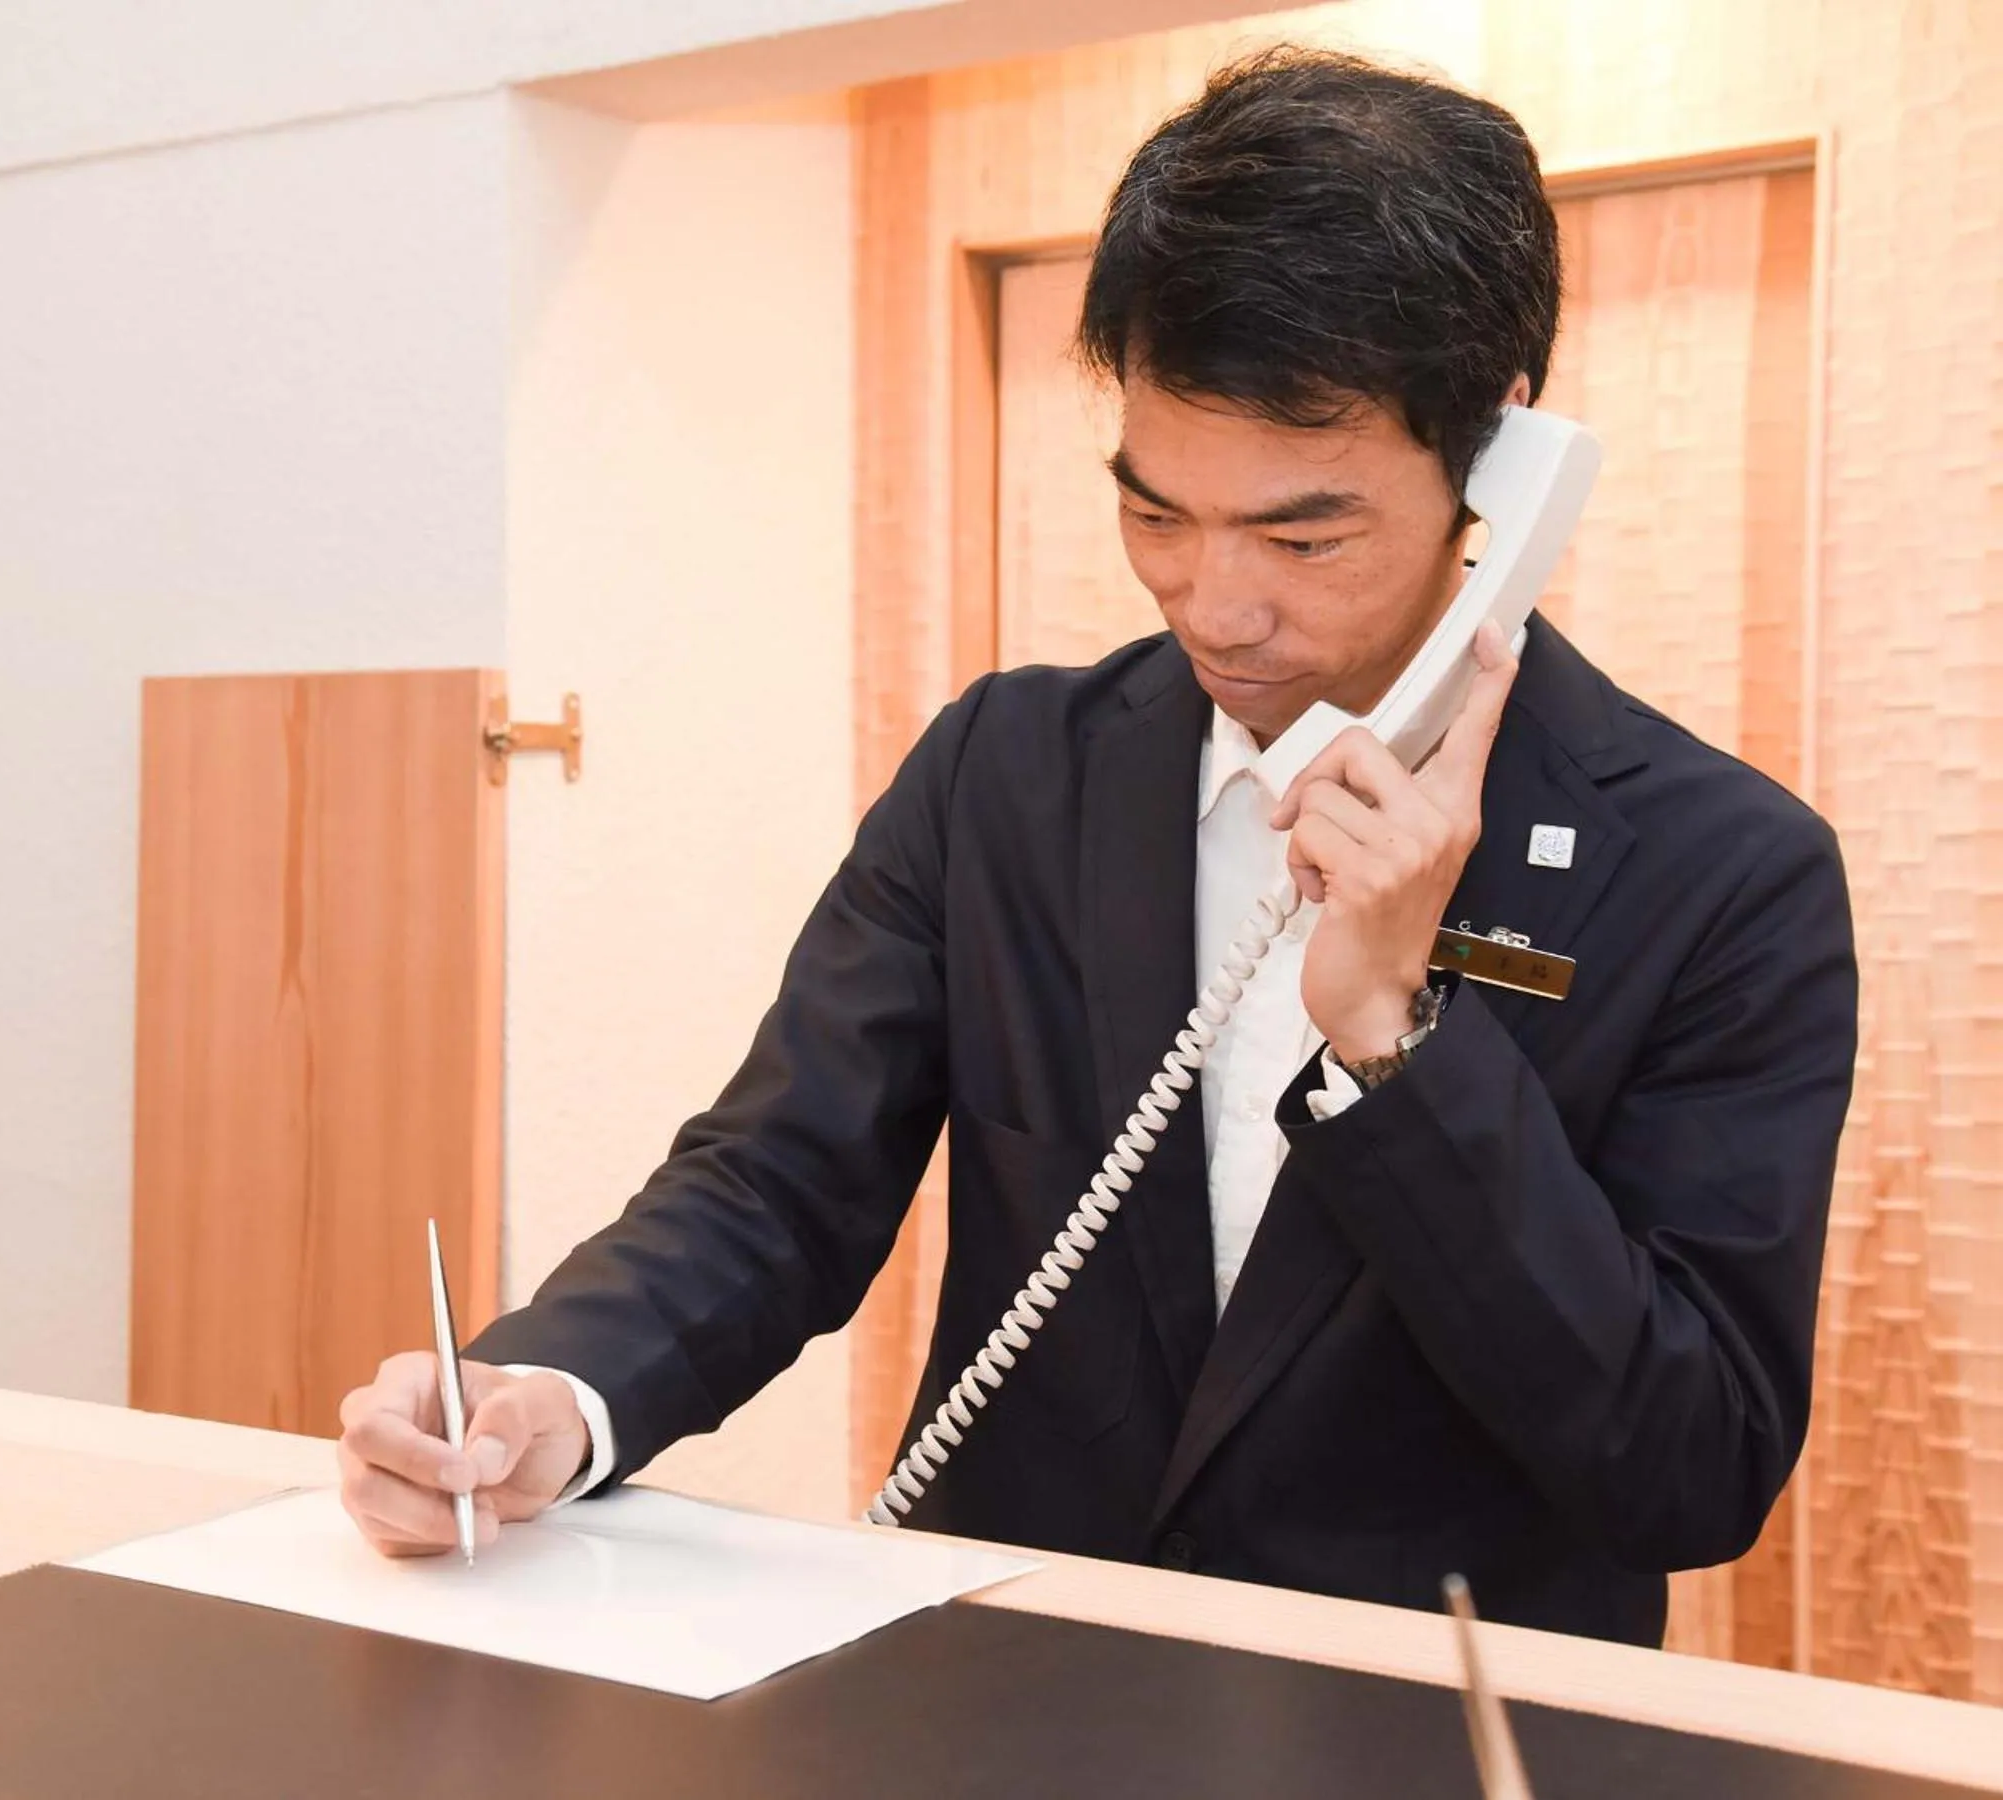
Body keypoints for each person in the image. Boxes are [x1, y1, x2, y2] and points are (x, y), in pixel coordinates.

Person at [333, 47, 1857, 1647]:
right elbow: (777, 1181)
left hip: (1418, 1728)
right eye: (1155, 516)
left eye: (1302, 532)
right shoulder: (1006, 769)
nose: (1217, 603)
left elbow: (1693, 1465)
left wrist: (1401, 1045)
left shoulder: (1721, 871)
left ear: (1503, 463)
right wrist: (545, 1404)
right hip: (1006, 1690)